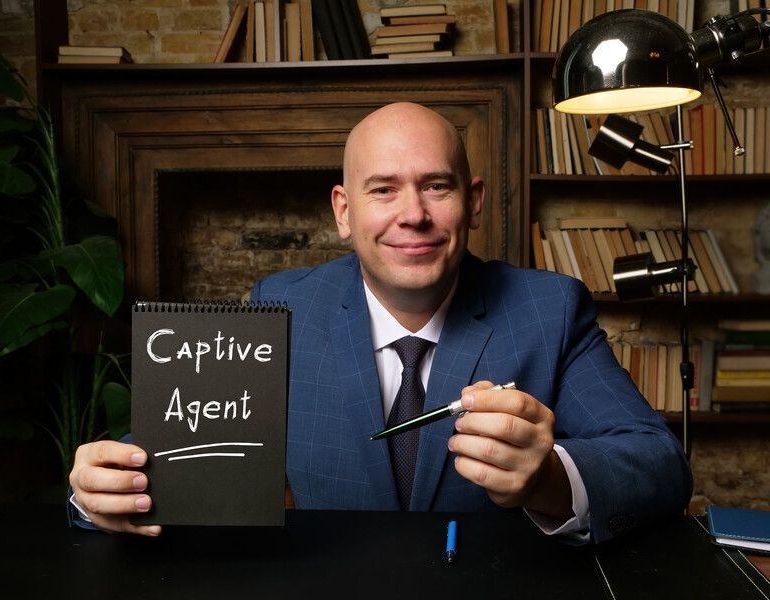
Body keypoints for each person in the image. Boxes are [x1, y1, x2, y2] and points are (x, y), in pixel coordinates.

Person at [68, 102, 692, 542]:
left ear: (473, 202)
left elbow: (659, 466)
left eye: (436, 186)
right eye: (383, 189)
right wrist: (96, 490)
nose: (412, 215)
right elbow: (188, 449)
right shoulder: (280, 304)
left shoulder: (549, 308)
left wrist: (550, 479)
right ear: (343, 211)